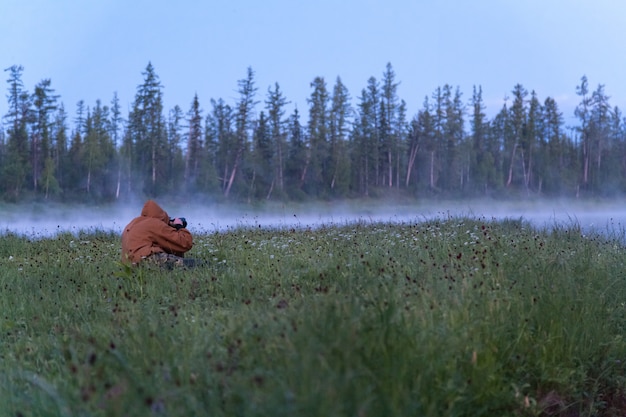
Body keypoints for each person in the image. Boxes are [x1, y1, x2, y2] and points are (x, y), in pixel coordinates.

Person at [121, 200, 195, 268]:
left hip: (130, 264)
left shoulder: (133, 223)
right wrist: (179, 225)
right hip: (147, 259)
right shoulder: (154, 223)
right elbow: (185, 242)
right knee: (194, 264)